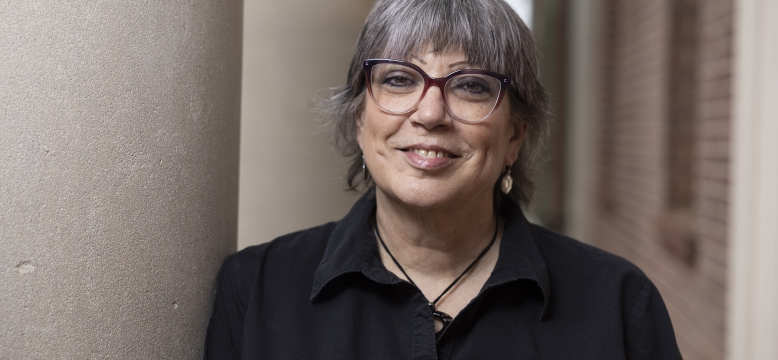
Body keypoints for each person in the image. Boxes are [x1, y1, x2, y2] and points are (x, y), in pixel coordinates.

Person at [205, 0, 682, 358]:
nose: (430, 113)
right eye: (398, 79)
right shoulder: (256, 291)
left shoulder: (618, 305)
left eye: (471, 85)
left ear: (515, 134)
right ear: (358, 119)